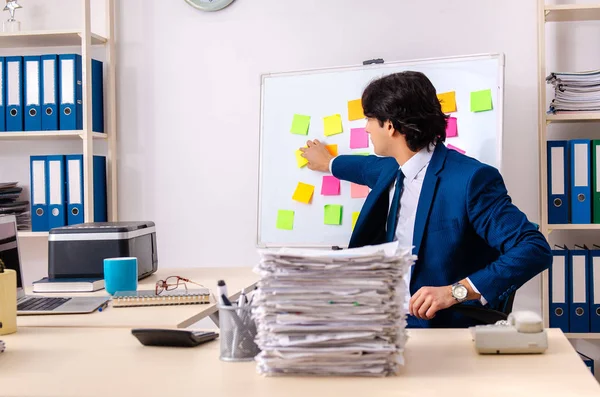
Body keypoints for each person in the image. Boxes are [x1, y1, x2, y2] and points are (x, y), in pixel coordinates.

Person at [300, 71, 552, 328]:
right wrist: (327, 162)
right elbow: (361, 167)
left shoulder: (469, 180)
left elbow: (533, 249)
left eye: (369, 119)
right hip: (384, 319)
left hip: (440, 327)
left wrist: (457, 291)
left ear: (389, 126)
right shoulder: (389, 169)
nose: (366, 127)